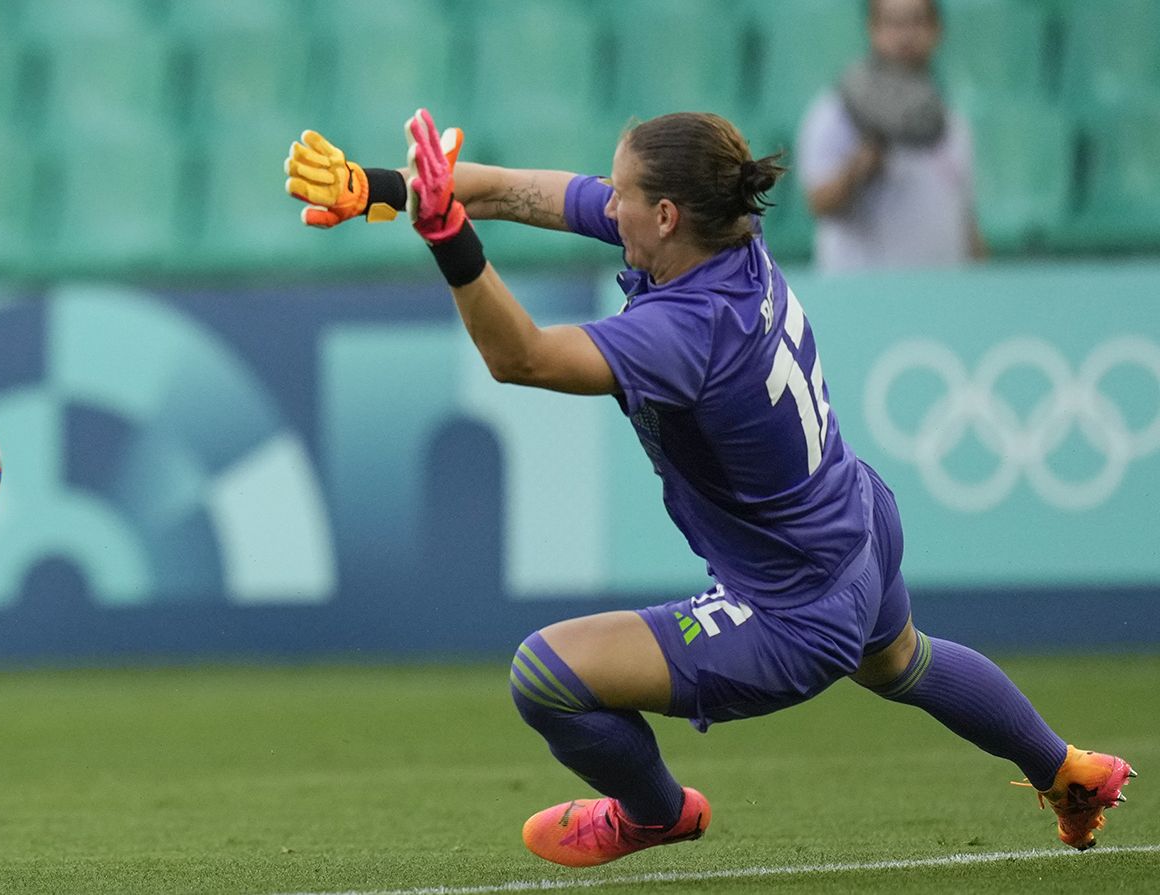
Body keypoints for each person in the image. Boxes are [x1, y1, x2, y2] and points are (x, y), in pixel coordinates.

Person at [285, 109, 1131, 867]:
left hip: (793, 607)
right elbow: (524, 191)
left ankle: (655, 814)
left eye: (620, 196)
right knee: (905, 662)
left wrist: (447, 237)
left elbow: (523, 358)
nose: (604, 206)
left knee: (544, 674)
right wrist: (383, 187)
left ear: (665, 215)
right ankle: (1066, 769)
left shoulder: (689, 331)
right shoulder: (718, 234)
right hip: (859, 520)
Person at [797, 0, 987, 272]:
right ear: (872, 29)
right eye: (893, 23)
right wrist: (858, 170)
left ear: (937, 30)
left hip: (943, 298)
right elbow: (818, 204)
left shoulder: (953, 122)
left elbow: (965, 220)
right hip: (865, 298)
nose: (905, 35)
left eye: (917, 21)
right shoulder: (837, 113)